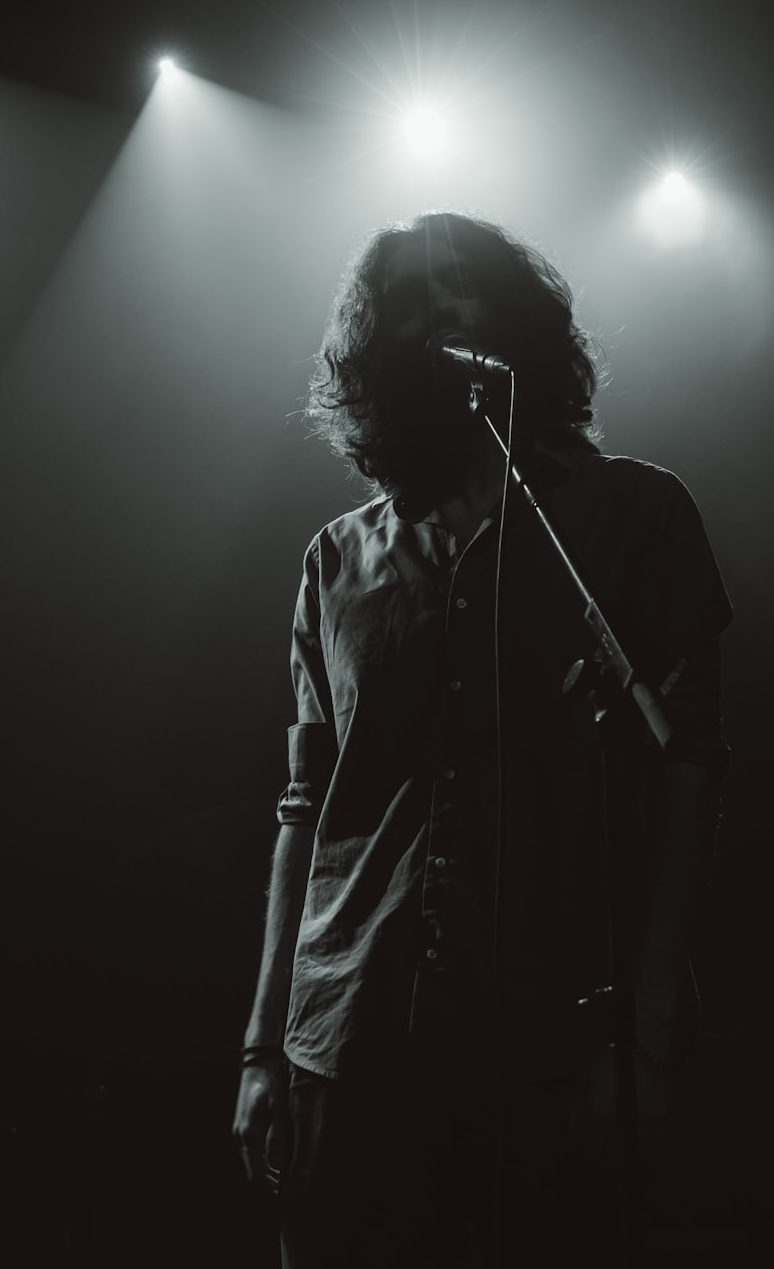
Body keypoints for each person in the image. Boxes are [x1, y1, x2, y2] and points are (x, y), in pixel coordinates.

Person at [232, 211, 732, 1266]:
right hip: (351, 1043)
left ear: (517, 318)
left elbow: (688, 771)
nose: (442, 310)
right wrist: (263, 1047)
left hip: (554, 1046)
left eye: (464, 283)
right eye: (408, 298)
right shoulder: (336, 561)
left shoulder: (635, 516)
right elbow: (305, 813)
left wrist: (644, 1042)